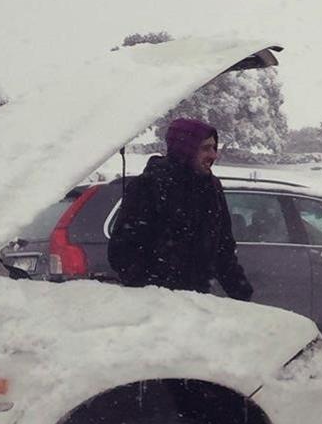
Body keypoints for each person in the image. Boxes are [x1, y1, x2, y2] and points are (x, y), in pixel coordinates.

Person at [108, 118, 252, 301]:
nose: (214, 155)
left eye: (214, 148)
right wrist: (154, 288)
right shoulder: (148, 186)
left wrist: (241, 294)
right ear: (186, 149)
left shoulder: (211, 187)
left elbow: (223, 249)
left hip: (197, 301)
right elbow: (122, 251)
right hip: (156, 303)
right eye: (206, 148)